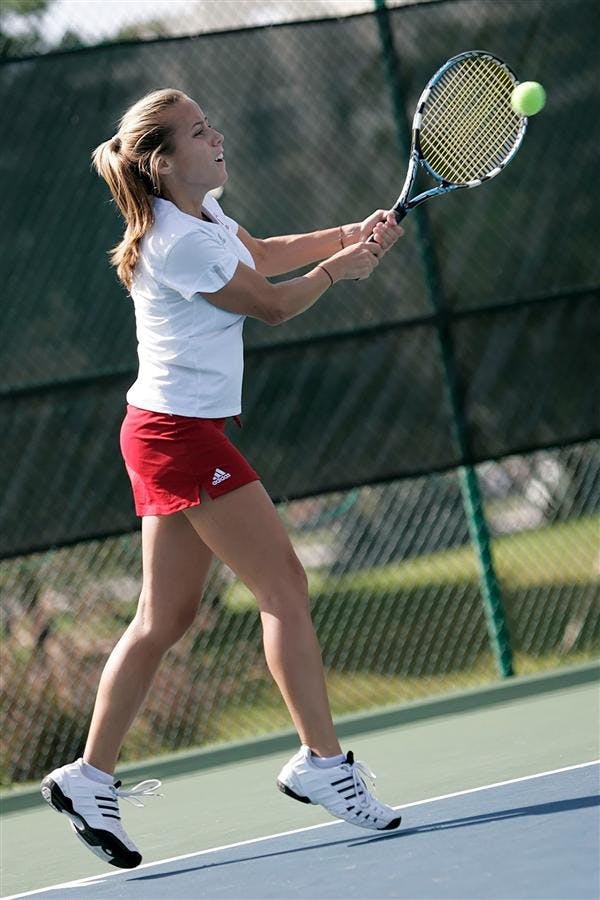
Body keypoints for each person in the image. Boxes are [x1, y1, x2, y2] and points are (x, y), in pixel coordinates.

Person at [40, 88, 405, 869]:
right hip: (179, 437)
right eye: (200, 132)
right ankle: (324, 763)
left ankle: (87, 777)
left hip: (165, 430)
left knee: (164, 617)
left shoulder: (200, 216)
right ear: (162, 161)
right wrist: (339, 270)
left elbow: (262, 254)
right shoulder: (176, 244)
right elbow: (270, 305)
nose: (219, 137)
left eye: (211, 125)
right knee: (284, 587)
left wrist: (349, 234)